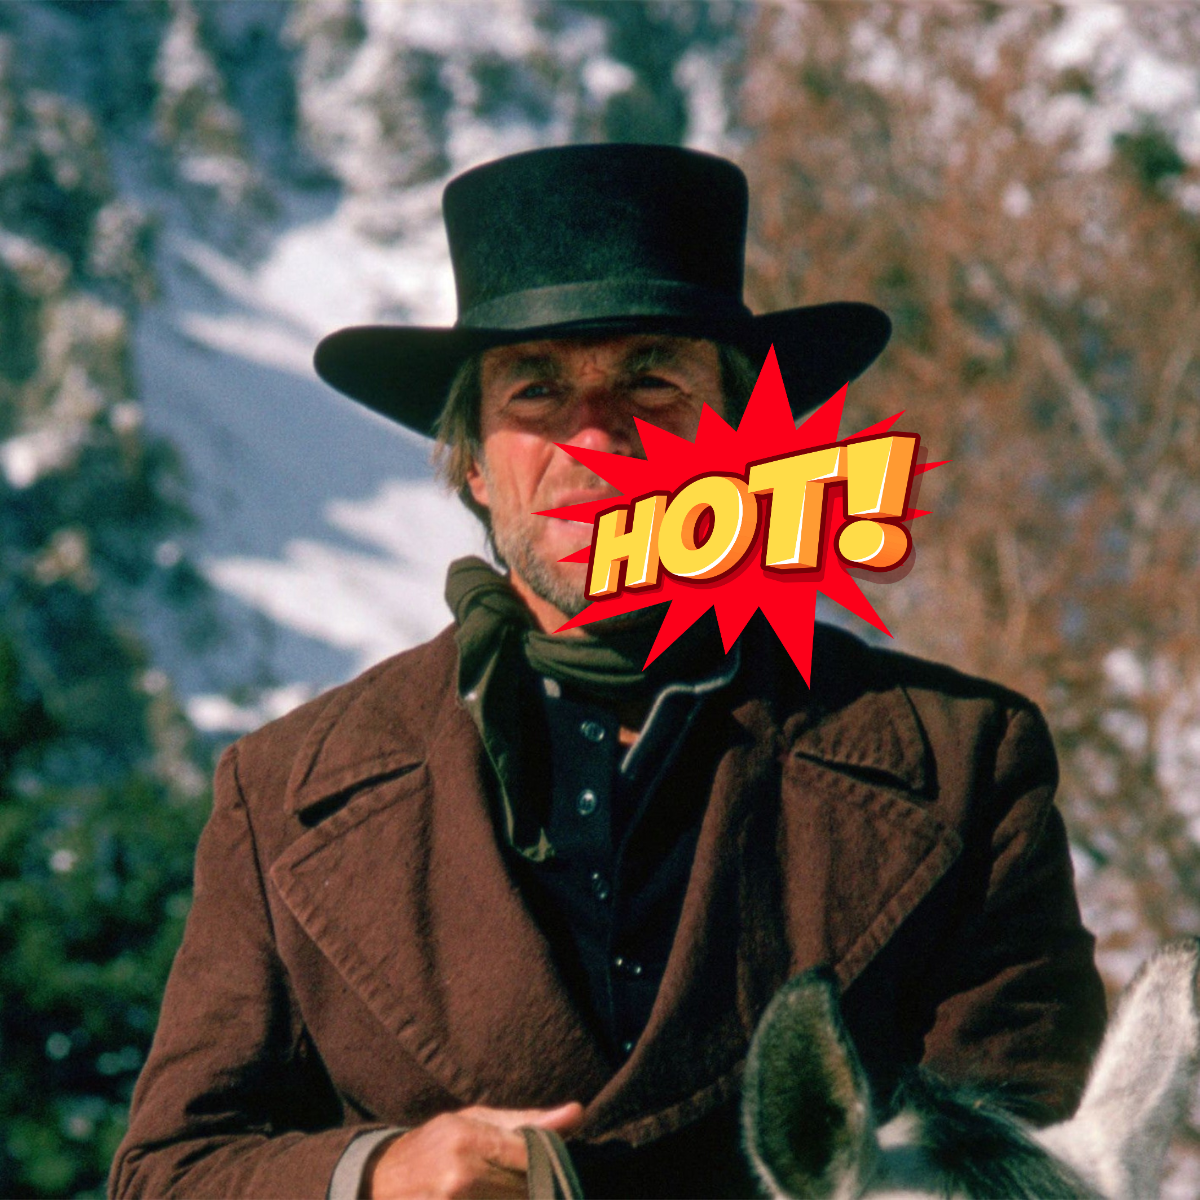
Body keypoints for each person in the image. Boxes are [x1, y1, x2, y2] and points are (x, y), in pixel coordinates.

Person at [110, 144, 1106, 1200]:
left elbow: (1025, 1160)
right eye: (536, 389)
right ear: (474, 462)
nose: (596, 436)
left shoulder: (962, 764)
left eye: (652, 380)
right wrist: (376, 1175)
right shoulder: (283, 796)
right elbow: (170, 1173)